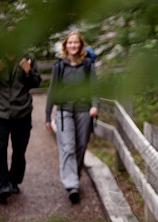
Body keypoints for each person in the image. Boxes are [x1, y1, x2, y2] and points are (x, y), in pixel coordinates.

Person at [0, 24, 42, 204]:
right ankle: (2, 185)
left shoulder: (28, 58)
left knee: (19, 150)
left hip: (22, 111)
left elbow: (36, 82)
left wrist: (28, 72)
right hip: (0, 112)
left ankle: (14, 180)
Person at [45, 32, 99, 204]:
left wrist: (95, 105)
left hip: (84, 110)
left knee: (81, 146)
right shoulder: (59, 66)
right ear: (65, 45)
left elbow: (94, 88)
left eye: (76, 43)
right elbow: (52, 90)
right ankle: (72, 184)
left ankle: (74, 174)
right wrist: (47, 114)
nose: (73, 45)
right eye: (70, 43)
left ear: (81, 45)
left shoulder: (88, 65)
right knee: (68, 146)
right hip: (64, 110)